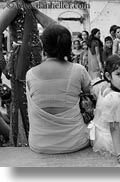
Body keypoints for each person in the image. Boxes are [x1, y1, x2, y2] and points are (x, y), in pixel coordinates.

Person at [26, 24, 91, 154]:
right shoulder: (78, 70)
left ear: (43, 46)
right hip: (75, 142)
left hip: (39, 143)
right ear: (68, 46)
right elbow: (91, 92)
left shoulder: (30, 74)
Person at [0, 0, 57, 146]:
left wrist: (35, 11)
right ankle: (23, 141)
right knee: (22, 103)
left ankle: (34, 138)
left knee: (34, 100)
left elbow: (55, 28)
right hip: (20, 62)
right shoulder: (14, 5)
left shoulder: (28, 7)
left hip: (33, 63)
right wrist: (2, 63)